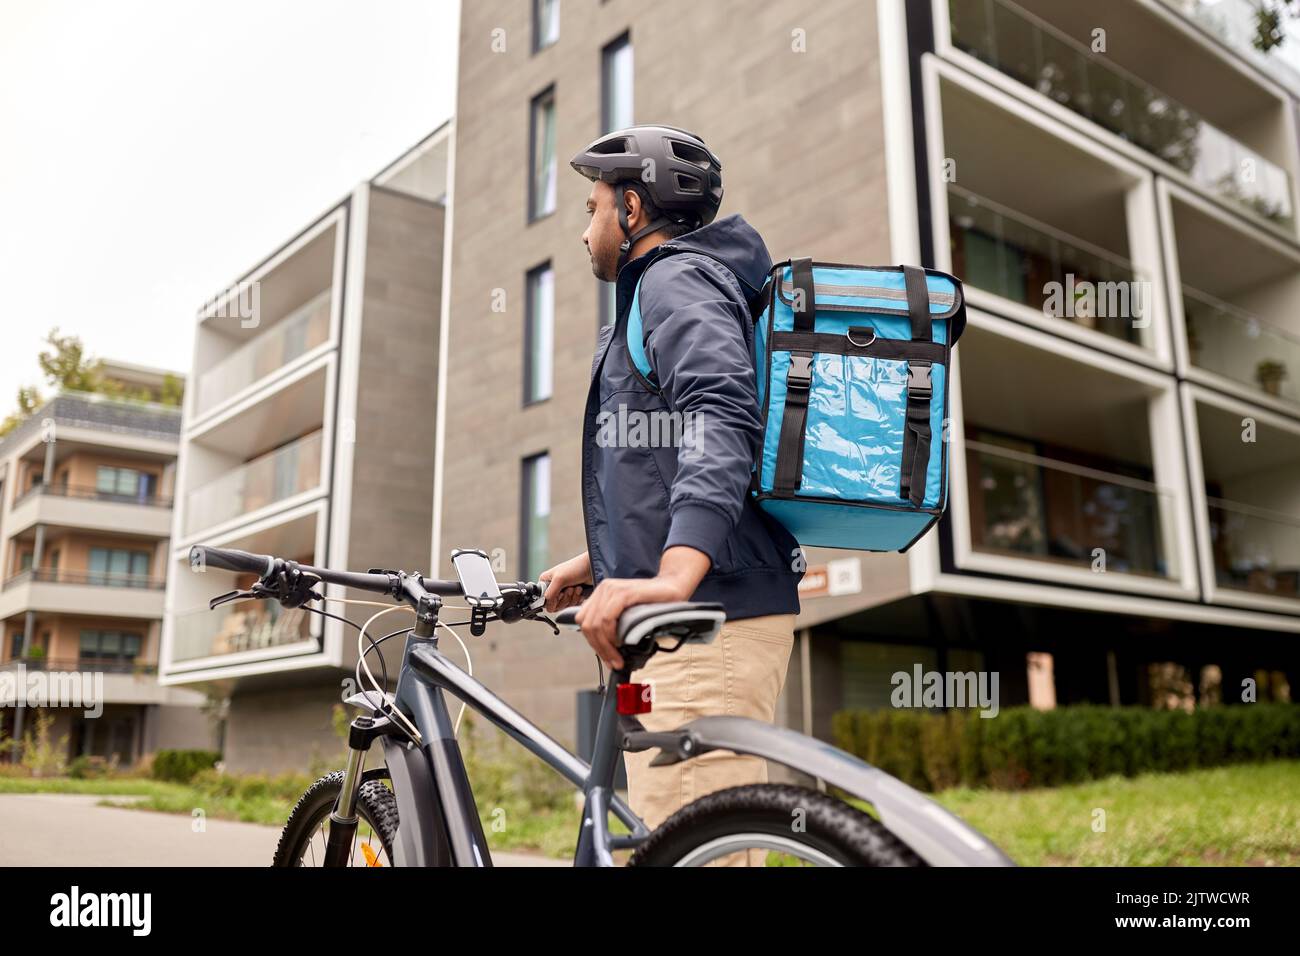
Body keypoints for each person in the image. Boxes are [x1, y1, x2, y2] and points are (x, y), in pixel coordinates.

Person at [540, 124, 804, 865]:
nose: (584, 230)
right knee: (657, 846)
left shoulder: (672, 280)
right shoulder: (668, 289)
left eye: (592, 208)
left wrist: (671, 577)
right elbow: (663, 462)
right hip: (684, 625)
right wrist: (599, 559)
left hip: (703, 621)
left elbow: (720, 415)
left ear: (630, 210)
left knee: (693, 854)